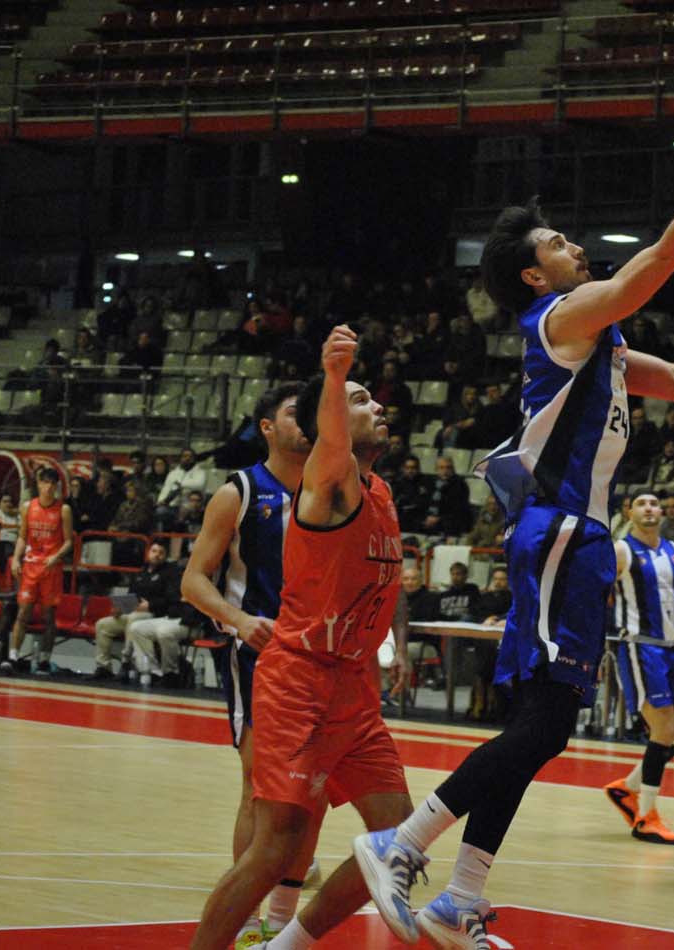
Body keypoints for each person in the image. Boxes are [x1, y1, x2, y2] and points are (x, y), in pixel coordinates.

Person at [354, 88, 674, 949]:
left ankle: (460, 897)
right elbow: (665, 255)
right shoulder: (560, 320)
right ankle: (402, 841)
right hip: (564, 531)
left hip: (565, 539)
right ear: (536, 275)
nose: (574, 245)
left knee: (534, 725)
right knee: (550, 722)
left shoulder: (595, 345)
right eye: (558, 243)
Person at [190, 328, 413, 950]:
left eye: (375, 399)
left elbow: (383, 589)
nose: (379, 407)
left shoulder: (383, 493)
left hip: (353, 686)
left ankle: (285, 945)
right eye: (363, 401)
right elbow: (331, 436)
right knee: (277, 846)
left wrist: (385, 650)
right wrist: (336, 375)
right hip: (301, 679)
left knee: (400, 839)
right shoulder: (328, 484)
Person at [181, 382, 325, 945]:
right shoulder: (239, 491)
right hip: (260, 654)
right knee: (258, 784)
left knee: (314, 787)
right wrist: (239, 621)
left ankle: (284, 918)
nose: (306, 422)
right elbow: (193, 579)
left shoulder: (336, 486)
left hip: (326, 656)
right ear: (267, 427)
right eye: (295, 414)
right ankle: (243, 922)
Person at [602, 493, 674, 846]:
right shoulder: (620, 551)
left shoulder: (673, 549)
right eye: (641, 503)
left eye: (655, 504)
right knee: (664, 727)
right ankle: (646, 816)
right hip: (639, 646)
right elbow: (596, 593)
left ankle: (627, 789)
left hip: (672, 648)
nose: (649, 508)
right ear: (629, 512)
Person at [0, 468, 73, 676]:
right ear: (39, 484)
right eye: (45, 482)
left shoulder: (63, 510)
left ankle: (44, 660)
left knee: (48, 616)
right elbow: (22, 536)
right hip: (31, 565)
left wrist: (57, 556)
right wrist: (16, 558)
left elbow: (69, 541)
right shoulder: (27, 507)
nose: (48, 487)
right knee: (23, 612)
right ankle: (13, 656)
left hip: (51, 567)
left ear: (56, 486)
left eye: (52, 483)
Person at [90, 541, 186, 687]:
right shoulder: (140, 573)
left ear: (165, 556)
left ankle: (125, 662)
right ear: (148, 553)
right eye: (154, 551)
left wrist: (150, 605)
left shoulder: (170, 573)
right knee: (103, 624)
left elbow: (170, 600)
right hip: (133, 612)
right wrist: (120, 608)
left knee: (134, 620)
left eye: (161, 553)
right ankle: (103, 666)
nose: (157, 555)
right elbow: (130, 596)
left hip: (154, 615)